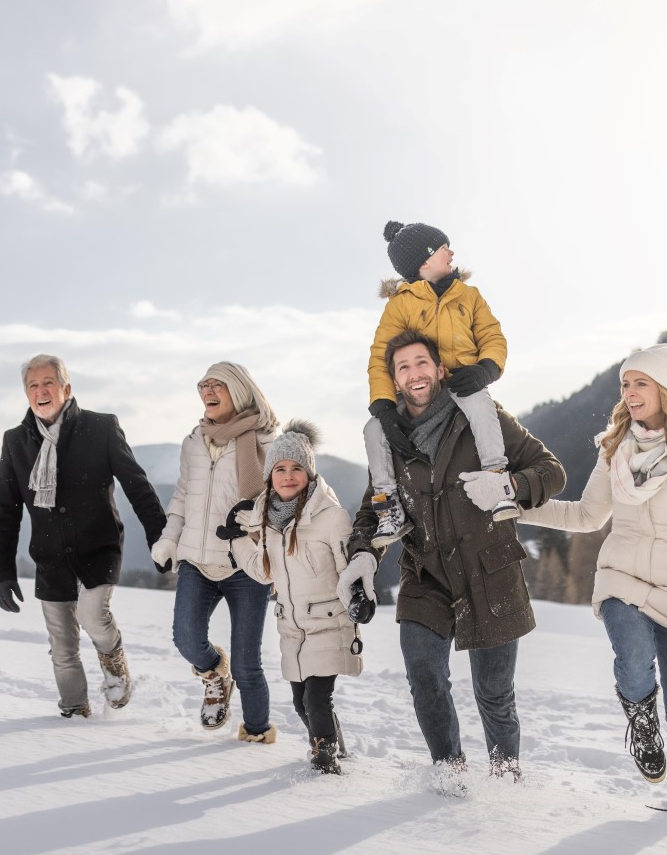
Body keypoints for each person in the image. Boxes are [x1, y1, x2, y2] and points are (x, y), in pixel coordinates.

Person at [518, 343, 667, 814]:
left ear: (666, 389)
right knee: (634, 660)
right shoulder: (616, 449)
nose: (629, 392)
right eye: (625, 384)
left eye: (640, 382)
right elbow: (586, 515)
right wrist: (518, 507)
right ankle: (642, 721)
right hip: (622, 578)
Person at [342, 330, 566, 786]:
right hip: (425, 574)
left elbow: (551, 471)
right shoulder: (386, 439)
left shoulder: (480, 417)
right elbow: (372, 509)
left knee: (494, 694)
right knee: (424, 679)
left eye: (421, 363)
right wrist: (363, 557)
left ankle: (507, 783)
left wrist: (510, 488)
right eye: (403, 367)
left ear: (440, 369)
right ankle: (448, 775)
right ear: (394, 380)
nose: (414, 373)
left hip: (491, 572)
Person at [0, 353, 167, 718]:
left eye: (48, 383)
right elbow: (6, 512)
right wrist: (3, 573)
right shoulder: (16, 441)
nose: (41, 391)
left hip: (98, 548)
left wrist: (160, 538)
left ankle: (114, 663)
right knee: (62, 646)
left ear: (65, 388)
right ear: (26, 394)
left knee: (92, 616)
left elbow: (137, 486)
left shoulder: (99, 428)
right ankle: (74, 713)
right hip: (50, 557)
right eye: (33, 385)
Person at [364, 220, 515, 547]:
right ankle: (388, 504)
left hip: (463, 382)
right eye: (444, 247)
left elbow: (491, 336)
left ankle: (496, 479)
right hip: (421, 390)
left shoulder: (469, 296)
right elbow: (380, 356)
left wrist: (486, 369)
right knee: (373, 429)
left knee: (480, 405)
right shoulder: (401, 304)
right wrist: (385, 408)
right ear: (424, 261)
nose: (452, 252)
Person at [151, 362, 280, 743]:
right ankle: (213, 675)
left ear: (238, 390)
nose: (207, 390)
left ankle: (256, 735)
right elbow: (183, 497)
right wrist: (169, 540)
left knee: (247, 664)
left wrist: (252, 518)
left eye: (216, 384)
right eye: (203, 385)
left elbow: (282, 500)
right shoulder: (194, 441)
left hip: (245, 564)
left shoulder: (267, 441)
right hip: (197, 560)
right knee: (187, 639)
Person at [225, 420, 362, 774]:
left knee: (318, 699)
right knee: (302, 703)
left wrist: (361, 594)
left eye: (297, 468)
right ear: (270, 476)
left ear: (310, 474)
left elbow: (350, 566)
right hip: (293, 629)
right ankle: (336, 746)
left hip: (329, 622)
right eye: (280, 469)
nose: (288, 476)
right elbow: (263, 571)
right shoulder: (269, 523)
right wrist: (237, 540)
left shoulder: (332, 518)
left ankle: (325, 762)